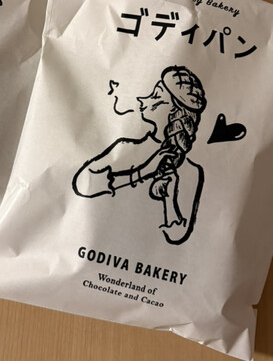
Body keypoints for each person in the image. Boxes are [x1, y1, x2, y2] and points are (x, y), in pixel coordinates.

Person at [73, 65, 206, 244]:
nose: (143, 100)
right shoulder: (124, 147)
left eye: (156, 95)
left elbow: (177, 236)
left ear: (174, 110)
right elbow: (82, 184)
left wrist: (169, 199)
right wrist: (142, 173)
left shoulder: (191, 171)